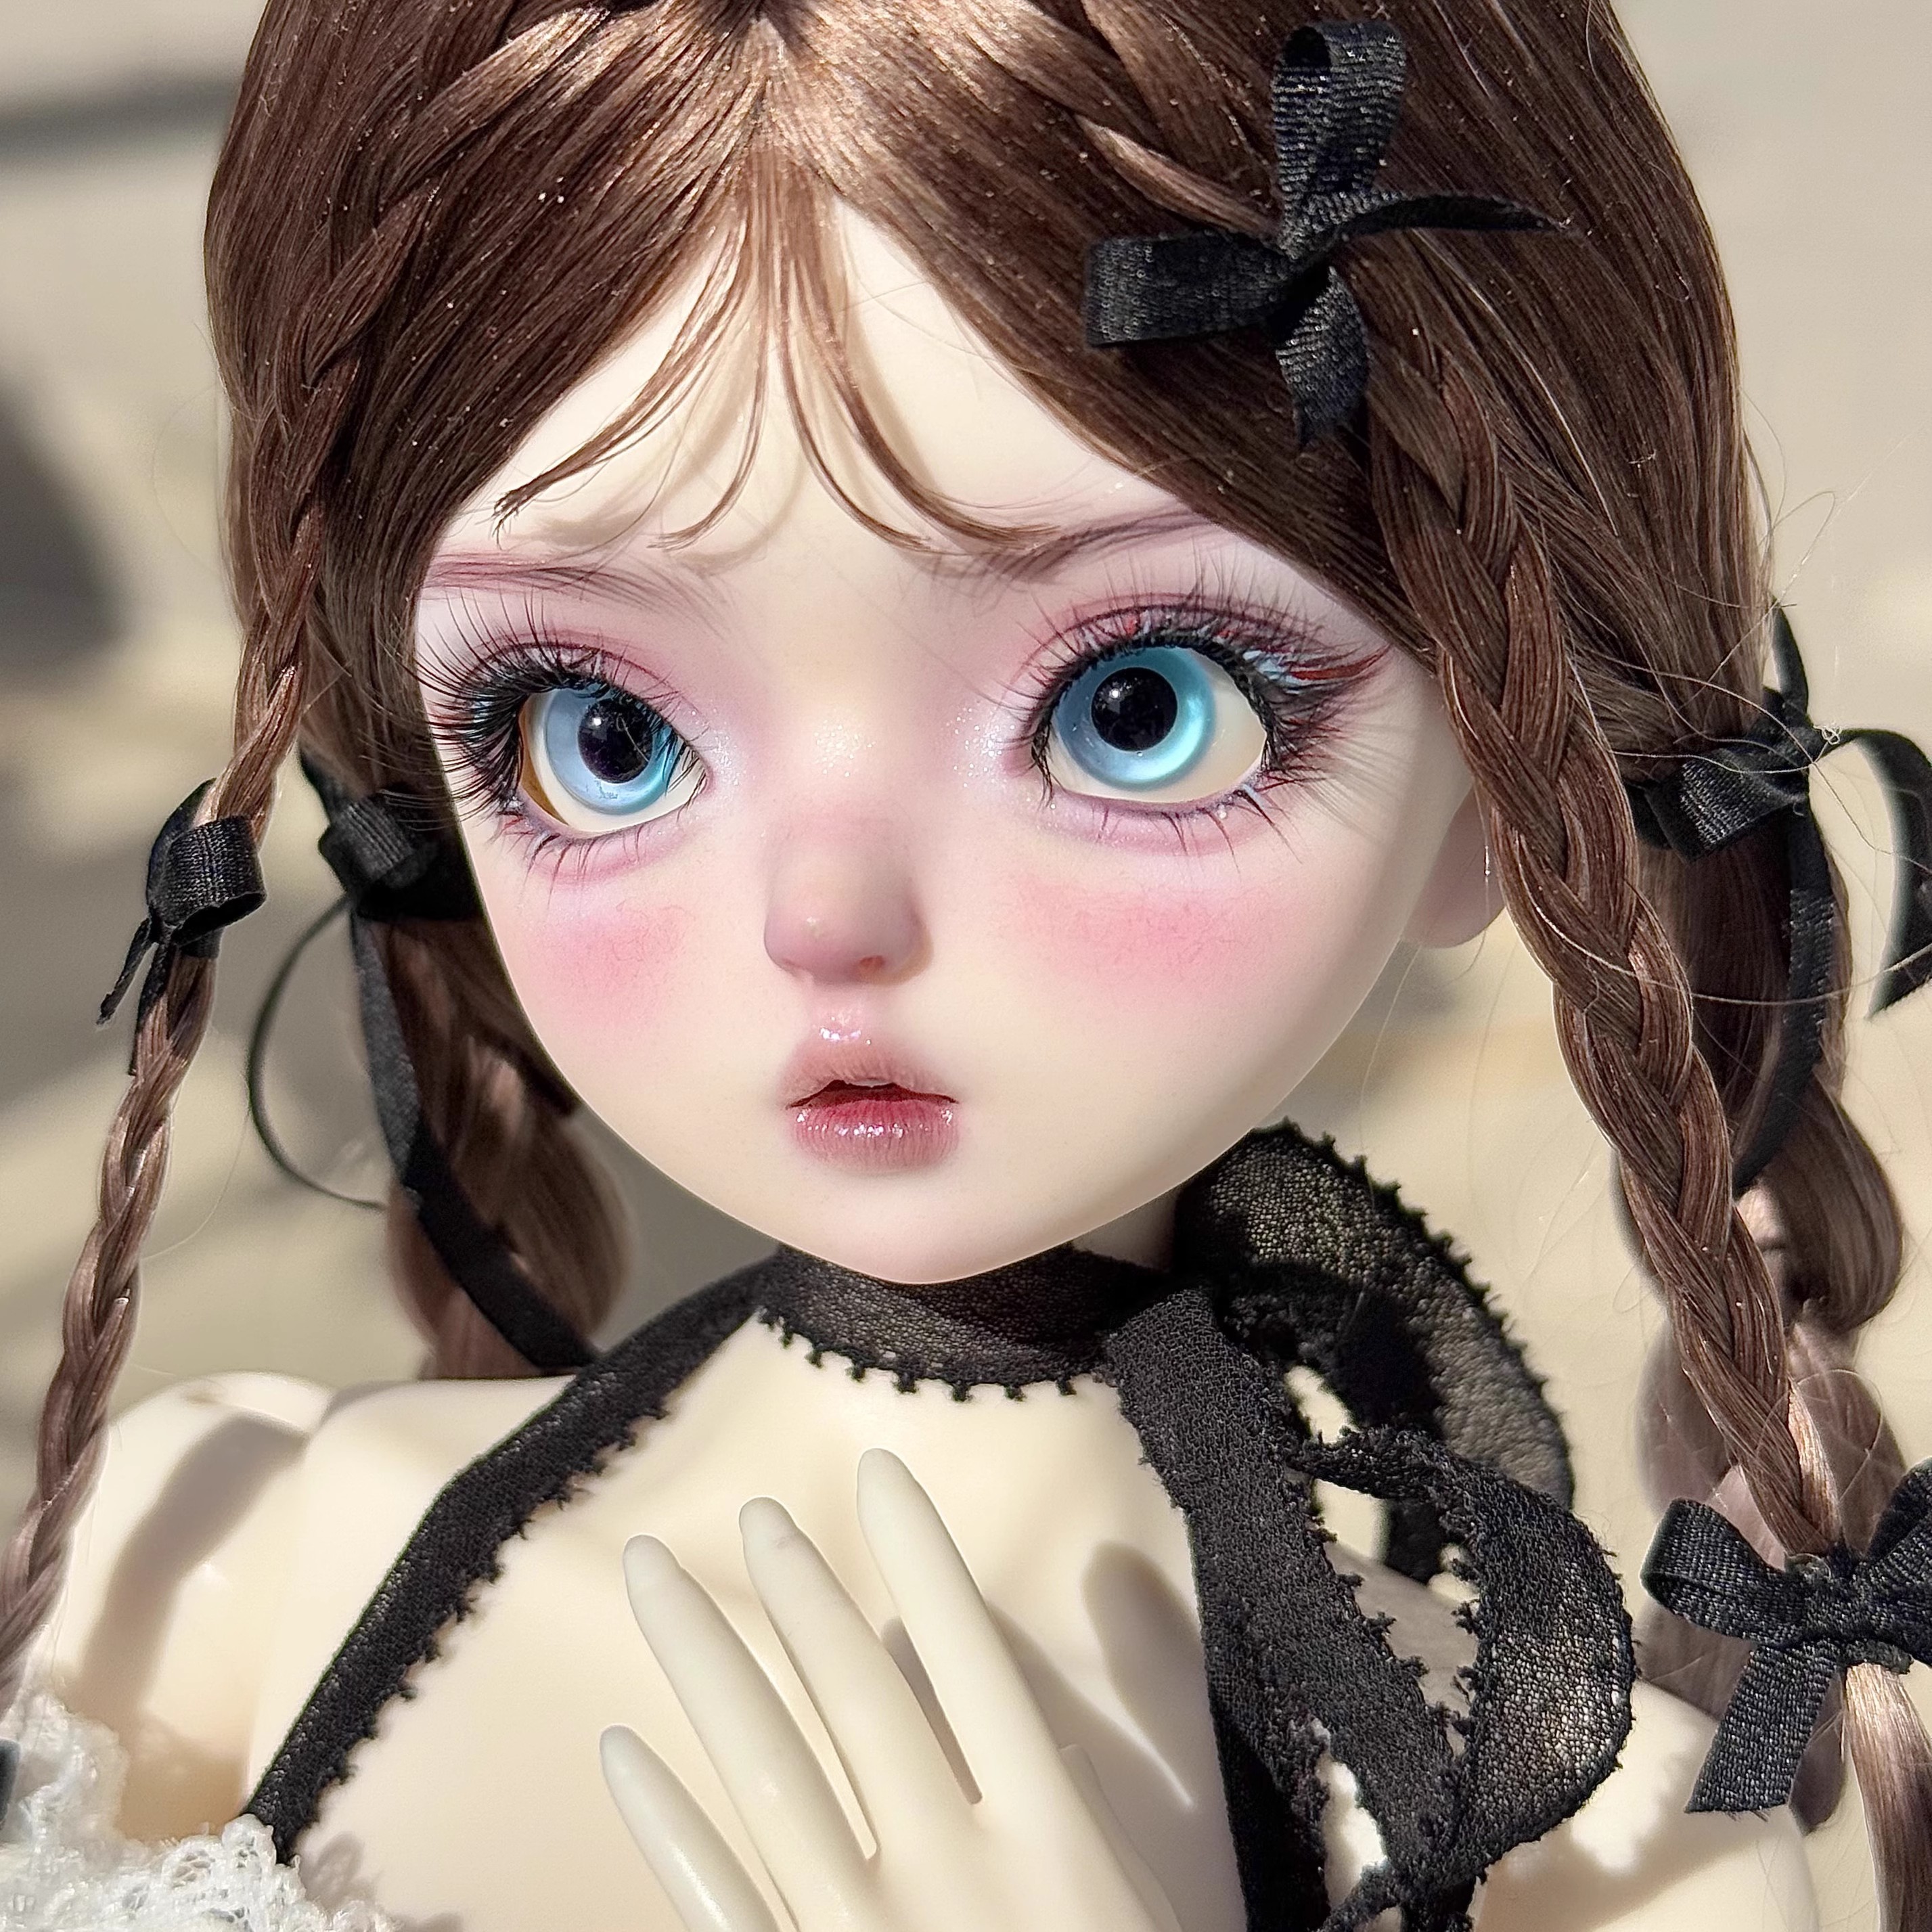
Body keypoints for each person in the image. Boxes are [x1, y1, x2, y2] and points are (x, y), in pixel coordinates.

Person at [1, 1, 1928, 1927]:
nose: (824, 914)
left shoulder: (1615, 1855)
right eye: (602, 731)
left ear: (1504, 788)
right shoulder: (214, 1559)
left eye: (1138, 705)